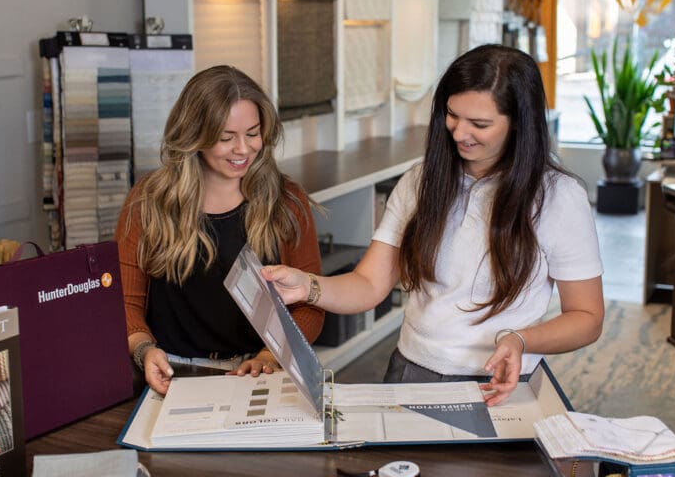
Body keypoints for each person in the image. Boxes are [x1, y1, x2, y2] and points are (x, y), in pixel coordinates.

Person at [262, 44, 604, 406]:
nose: (458, 133)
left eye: (480, 124)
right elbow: (369, 284)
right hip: (411, 373)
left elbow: (587, 317)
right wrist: (307, 287)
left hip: (503, 382)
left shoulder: (558, 197)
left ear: (519, 121)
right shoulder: (422, 180)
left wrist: (521, 339)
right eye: (452, 115)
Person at [115, 65, 324, 395]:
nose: (243, 149)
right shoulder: (148, 201)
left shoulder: (287, 202)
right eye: (226, 138)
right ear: (193, 135)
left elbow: (310, 305)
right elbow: (125, 303)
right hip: (173, 375)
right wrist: (143, 350)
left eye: (252, 133)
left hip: (259, 374)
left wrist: (270, 356)